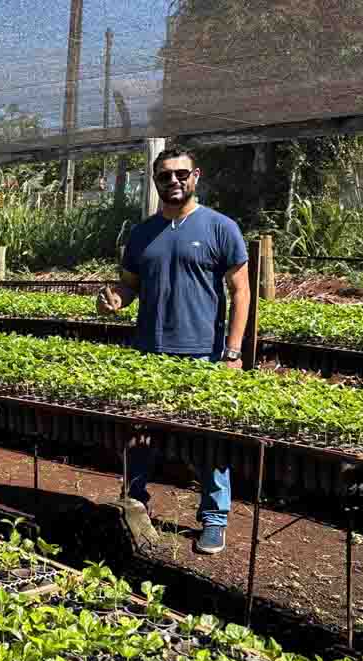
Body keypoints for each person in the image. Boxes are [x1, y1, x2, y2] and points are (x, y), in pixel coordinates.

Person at [97, 146, 250, 554]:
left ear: (195, 176)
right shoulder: (142, 233)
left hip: (203, 354)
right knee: (139, 437)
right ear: (155, 180)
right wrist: (115, 298)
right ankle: (134, 505)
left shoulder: (220, 227)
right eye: (165, 176)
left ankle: (214, 520)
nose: (174, 182)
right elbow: (129, 285)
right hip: (148, 353)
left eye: (181, 174)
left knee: (208, 442)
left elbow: (241, 292)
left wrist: (232, 353)